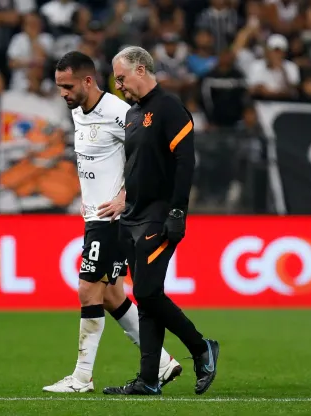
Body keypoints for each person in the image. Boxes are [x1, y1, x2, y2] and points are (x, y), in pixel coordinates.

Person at [42, 51, 182, 394]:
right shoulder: (77, 112)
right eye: (59, 86)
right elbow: (96, 159)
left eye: (67, 85)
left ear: (88, 81)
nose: (62, 92)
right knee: (112, 295)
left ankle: (81, 378)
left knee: (88, 290)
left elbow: (148, 156)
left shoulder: (121, 112)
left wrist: (124, 196)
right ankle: (163, 363)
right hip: (94, 214)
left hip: (113, 220)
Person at [103, 46, 219, 396]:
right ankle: (149, 380)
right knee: (148, 298)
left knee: (147, 292)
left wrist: (178, 212)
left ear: (141, 69)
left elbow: (186, 163)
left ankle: (201, 349)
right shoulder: (134, 115)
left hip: (159, 215)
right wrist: (123, 200)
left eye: (121, 78)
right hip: (134, 216)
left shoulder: (169, 108)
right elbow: (134, 165)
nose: (119, 85)